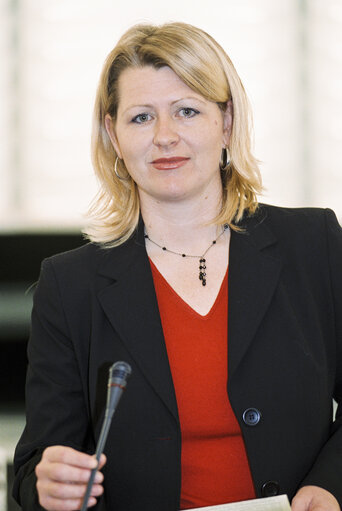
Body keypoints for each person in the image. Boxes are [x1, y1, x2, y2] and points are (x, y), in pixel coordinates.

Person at [13, 21, 342, 511]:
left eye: (187, 111)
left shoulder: (313, 244)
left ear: (226, 122)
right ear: (113, 134)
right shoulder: (69, 286)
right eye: (141, 118)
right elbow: (34, 466)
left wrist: (331, 484)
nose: (165, 137)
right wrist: (47, 484)